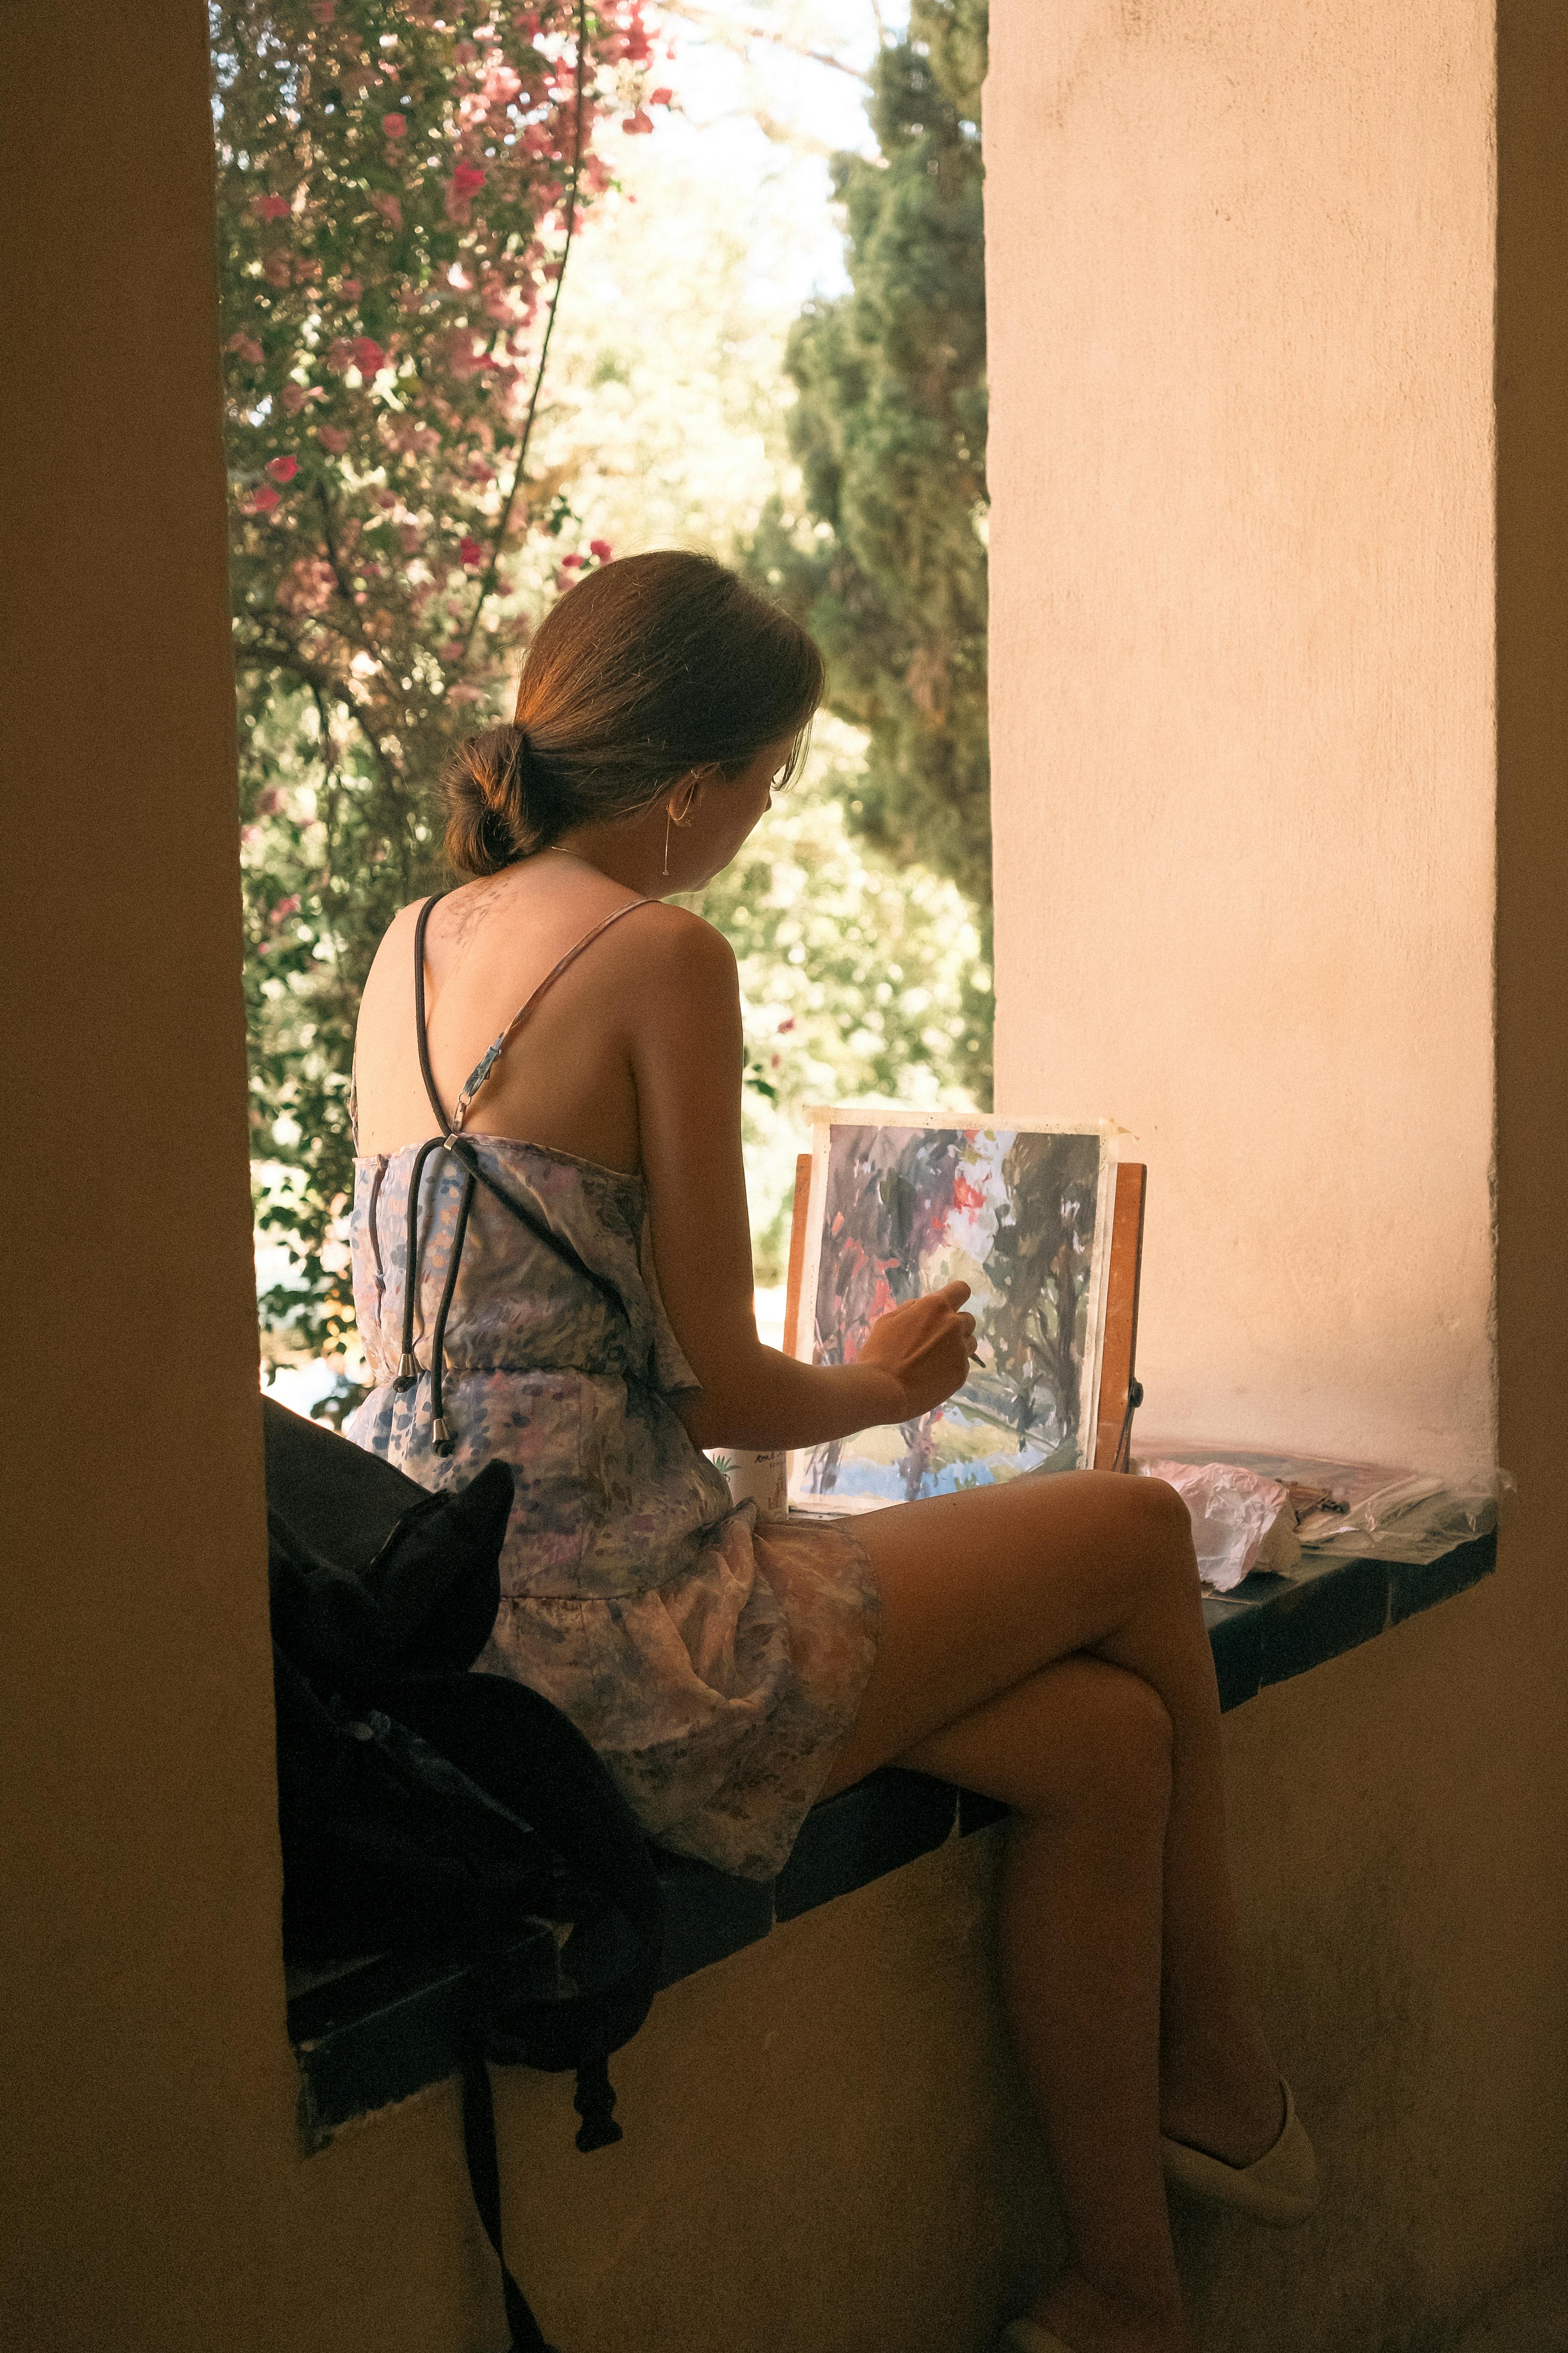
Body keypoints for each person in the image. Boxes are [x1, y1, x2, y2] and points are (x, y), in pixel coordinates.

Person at [346, 549, 1315, 2353]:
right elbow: (718, 1387)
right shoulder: (658, 952)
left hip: (461, 1650)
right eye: (773, 776)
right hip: (622, 1657)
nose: (764, 814)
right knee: (1120, 1526)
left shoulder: (414, 944)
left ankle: (1123, 2289)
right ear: (693, 783)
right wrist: (884, 1384)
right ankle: (1217, 2057)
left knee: (1103, 1748)